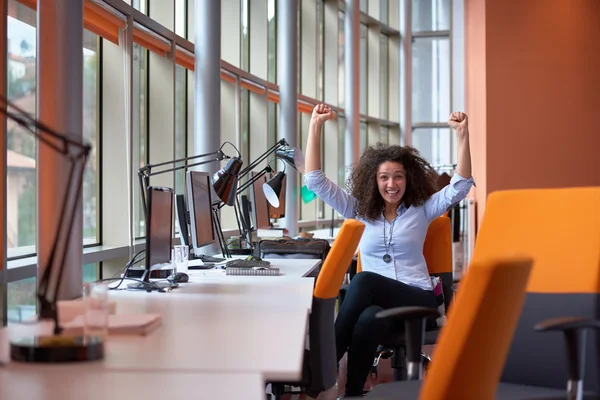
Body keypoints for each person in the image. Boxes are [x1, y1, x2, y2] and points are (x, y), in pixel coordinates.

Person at [304, 104, 475, 397]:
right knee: (368, 317)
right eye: (384, 177)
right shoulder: (359, 210)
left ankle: (324, 361)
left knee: (364, 280)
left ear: (408, 179)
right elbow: (315, 181)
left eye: (398, 176)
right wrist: (315, 126)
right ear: (374, 180)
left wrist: (463, 135)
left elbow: (460, 186)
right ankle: (353, 393)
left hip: (417, 298)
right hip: (381, 307)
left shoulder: (422, 209)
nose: (391, 184)